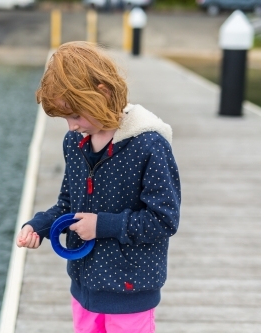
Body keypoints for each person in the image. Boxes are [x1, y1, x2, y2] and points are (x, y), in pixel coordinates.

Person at [16, 41, 181, 333]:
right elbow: (69, 203)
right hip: (84, 285)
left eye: (76, 115)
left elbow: (164, 220)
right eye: (65, 118)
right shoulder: (75, 143)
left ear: (102, 93)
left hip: (130, 289)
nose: (71, 127)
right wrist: (41, 226)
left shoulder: (149, 145)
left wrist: (101, 225)